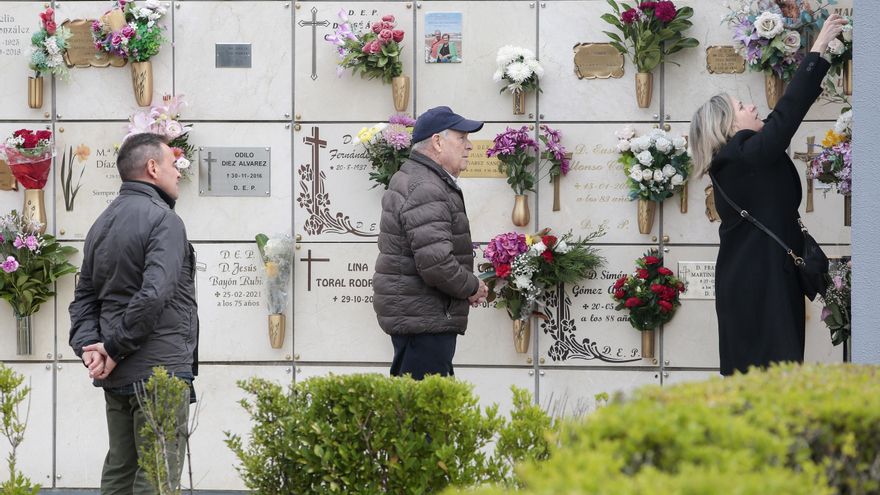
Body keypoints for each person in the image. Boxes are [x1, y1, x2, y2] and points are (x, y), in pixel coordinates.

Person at [688, 14, 848, 376]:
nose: (753, 107)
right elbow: (786, 116)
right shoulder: (739, 156)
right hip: (757, 288)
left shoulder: (743, 158)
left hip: (761, 282)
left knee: (771, 379)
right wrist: (818, 48)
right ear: (729, 126)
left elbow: (778, 121)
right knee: (769, 380)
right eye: (742, 107)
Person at [69, 132, 198, 493]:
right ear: (153, 168)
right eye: (173, 165)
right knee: (157, 475)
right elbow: (155, 294)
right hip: (159, 373)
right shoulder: (164, 221)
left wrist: (91, 346)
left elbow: (83, 299)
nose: (178, 174)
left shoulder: (101, 224)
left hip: (118, 376)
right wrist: (111, 347)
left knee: (120, 471)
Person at [373, 106, 489, 380]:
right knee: (421, 413)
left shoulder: (421, 179)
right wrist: (472, 286)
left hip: (420, 317)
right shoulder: (426, 186)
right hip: (423, 321)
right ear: (437, 142)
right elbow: (436, 263)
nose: (469, 146)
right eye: (461, 138)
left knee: (416, 408)